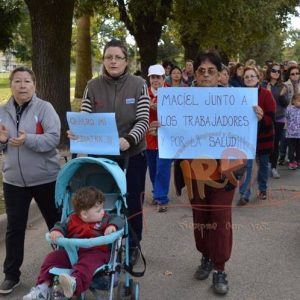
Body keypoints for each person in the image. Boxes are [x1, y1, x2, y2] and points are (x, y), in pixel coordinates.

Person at [172, 53, 263, 295]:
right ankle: (205, 256)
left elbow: (248, 131)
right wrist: (164, 126)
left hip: (225, 171)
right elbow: (175, 130)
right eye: (201, 70)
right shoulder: (182, 101)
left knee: (221, 219)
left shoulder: (236, 101)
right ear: (195, 73)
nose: (205, 75)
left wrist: (256, 117)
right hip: (194, 171)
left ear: (220, 74)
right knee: (200, 218)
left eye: (211, 70)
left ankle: (220, 268)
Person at [69, 39, 150, 265]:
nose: (113, 61)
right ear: (103, 60)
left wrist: (129, 139)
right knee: (101, 201)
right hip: (101, 156)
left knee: (133, 202)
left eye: (118, 57)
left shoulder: (139, 84)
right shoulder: (92, 85)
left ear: (126, 61)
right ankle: (100, 243)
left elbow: (144, 119)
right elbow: (85, 119)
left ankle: (133, 244)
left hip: (132, 154)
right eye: (108, 57)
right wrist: (77, 133)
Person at [0, 67, 61, 295]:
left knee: (56, 225)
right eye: (17, 81)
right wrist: (2, 140)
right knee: (14, 229)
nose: (22, 85)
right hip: (14, 181)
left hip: (46, 178)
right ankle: (11, 276)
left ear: (34, 85)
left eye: (27, 81)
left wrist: (28, 140)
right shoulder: (2, 111)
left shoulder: (44, 108)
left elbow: (54, 138)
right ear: (11, 84)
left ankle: (64, 269)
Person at [23, 186, 124, 299]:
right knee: (52, 258)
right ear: (84, 214)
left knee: (86, 263)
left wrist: (112, 225)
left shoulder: (105, 219)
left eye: (102, 208)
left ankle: (73, 283)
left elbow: (118, 219)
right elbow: (60, 226)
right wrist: (57, 232)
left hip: (96, 253)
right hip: (72, 253)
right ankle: (43, 288)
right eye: (98, 210)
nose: (103, 212)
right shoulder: (72, 219)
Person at [238, 67, 276, 205]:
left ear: (258, 78)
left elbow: (271, 117)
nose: (249, 79)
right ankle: (245, 194)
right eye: (246, 77)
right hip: (247, 138)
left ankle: (262, 188)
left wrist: (261, 118)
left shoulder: (266, 94)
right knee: (247, 166)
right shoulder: (239, 95)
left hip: (264, 138)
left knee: (263, 165)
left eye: (252, 76)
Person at [145, 64, 172, 213]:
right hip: (149, 138)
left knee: (163, 168)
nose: (156, 80)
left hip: (166, 138)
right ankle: (157, 192)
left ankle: (162, 198)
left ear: (163, 78)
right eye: (153, 77)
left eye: (158, 77)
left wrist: (160, 107)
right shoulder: (143, 94)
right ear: (149, 79)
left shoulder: (171, 94)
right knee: (153, 168)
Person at [261, 63, 289, 179]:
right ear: (269, 71)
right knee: (265, 143)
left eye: (278, 71)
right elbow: (261, 101)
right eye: (274, 70)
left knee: (275, 144)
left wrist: (282, 96)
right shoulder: (263, 84)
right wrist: (267, 92)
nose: (276, 73)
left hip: (279, 118)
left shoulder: (283, 86)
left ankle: (273, 167)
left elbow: (285, 103)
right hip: (266, 118)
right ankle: (264, 166)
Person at [279, 65, 300, 165]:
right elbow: (281, 99)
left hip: (298, 115)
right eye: (292, 74)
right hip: (288, 114)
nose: (295, 75)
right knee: (285, 138)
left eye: (297, 73)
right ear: (289, 75)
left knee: (297, 140)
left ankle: (296, 158)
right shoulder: (286, 85)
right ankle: (282, 156)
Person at [285, 93, 300, 170]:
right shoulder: (289, 108)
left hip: (299, 134)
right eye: (298, 101)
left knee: (298, 149)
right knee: (291, 149)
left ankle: (298, 160)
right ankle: (291, 161)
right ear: (293, 101)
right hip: (291, 134)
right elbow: (286, 117)